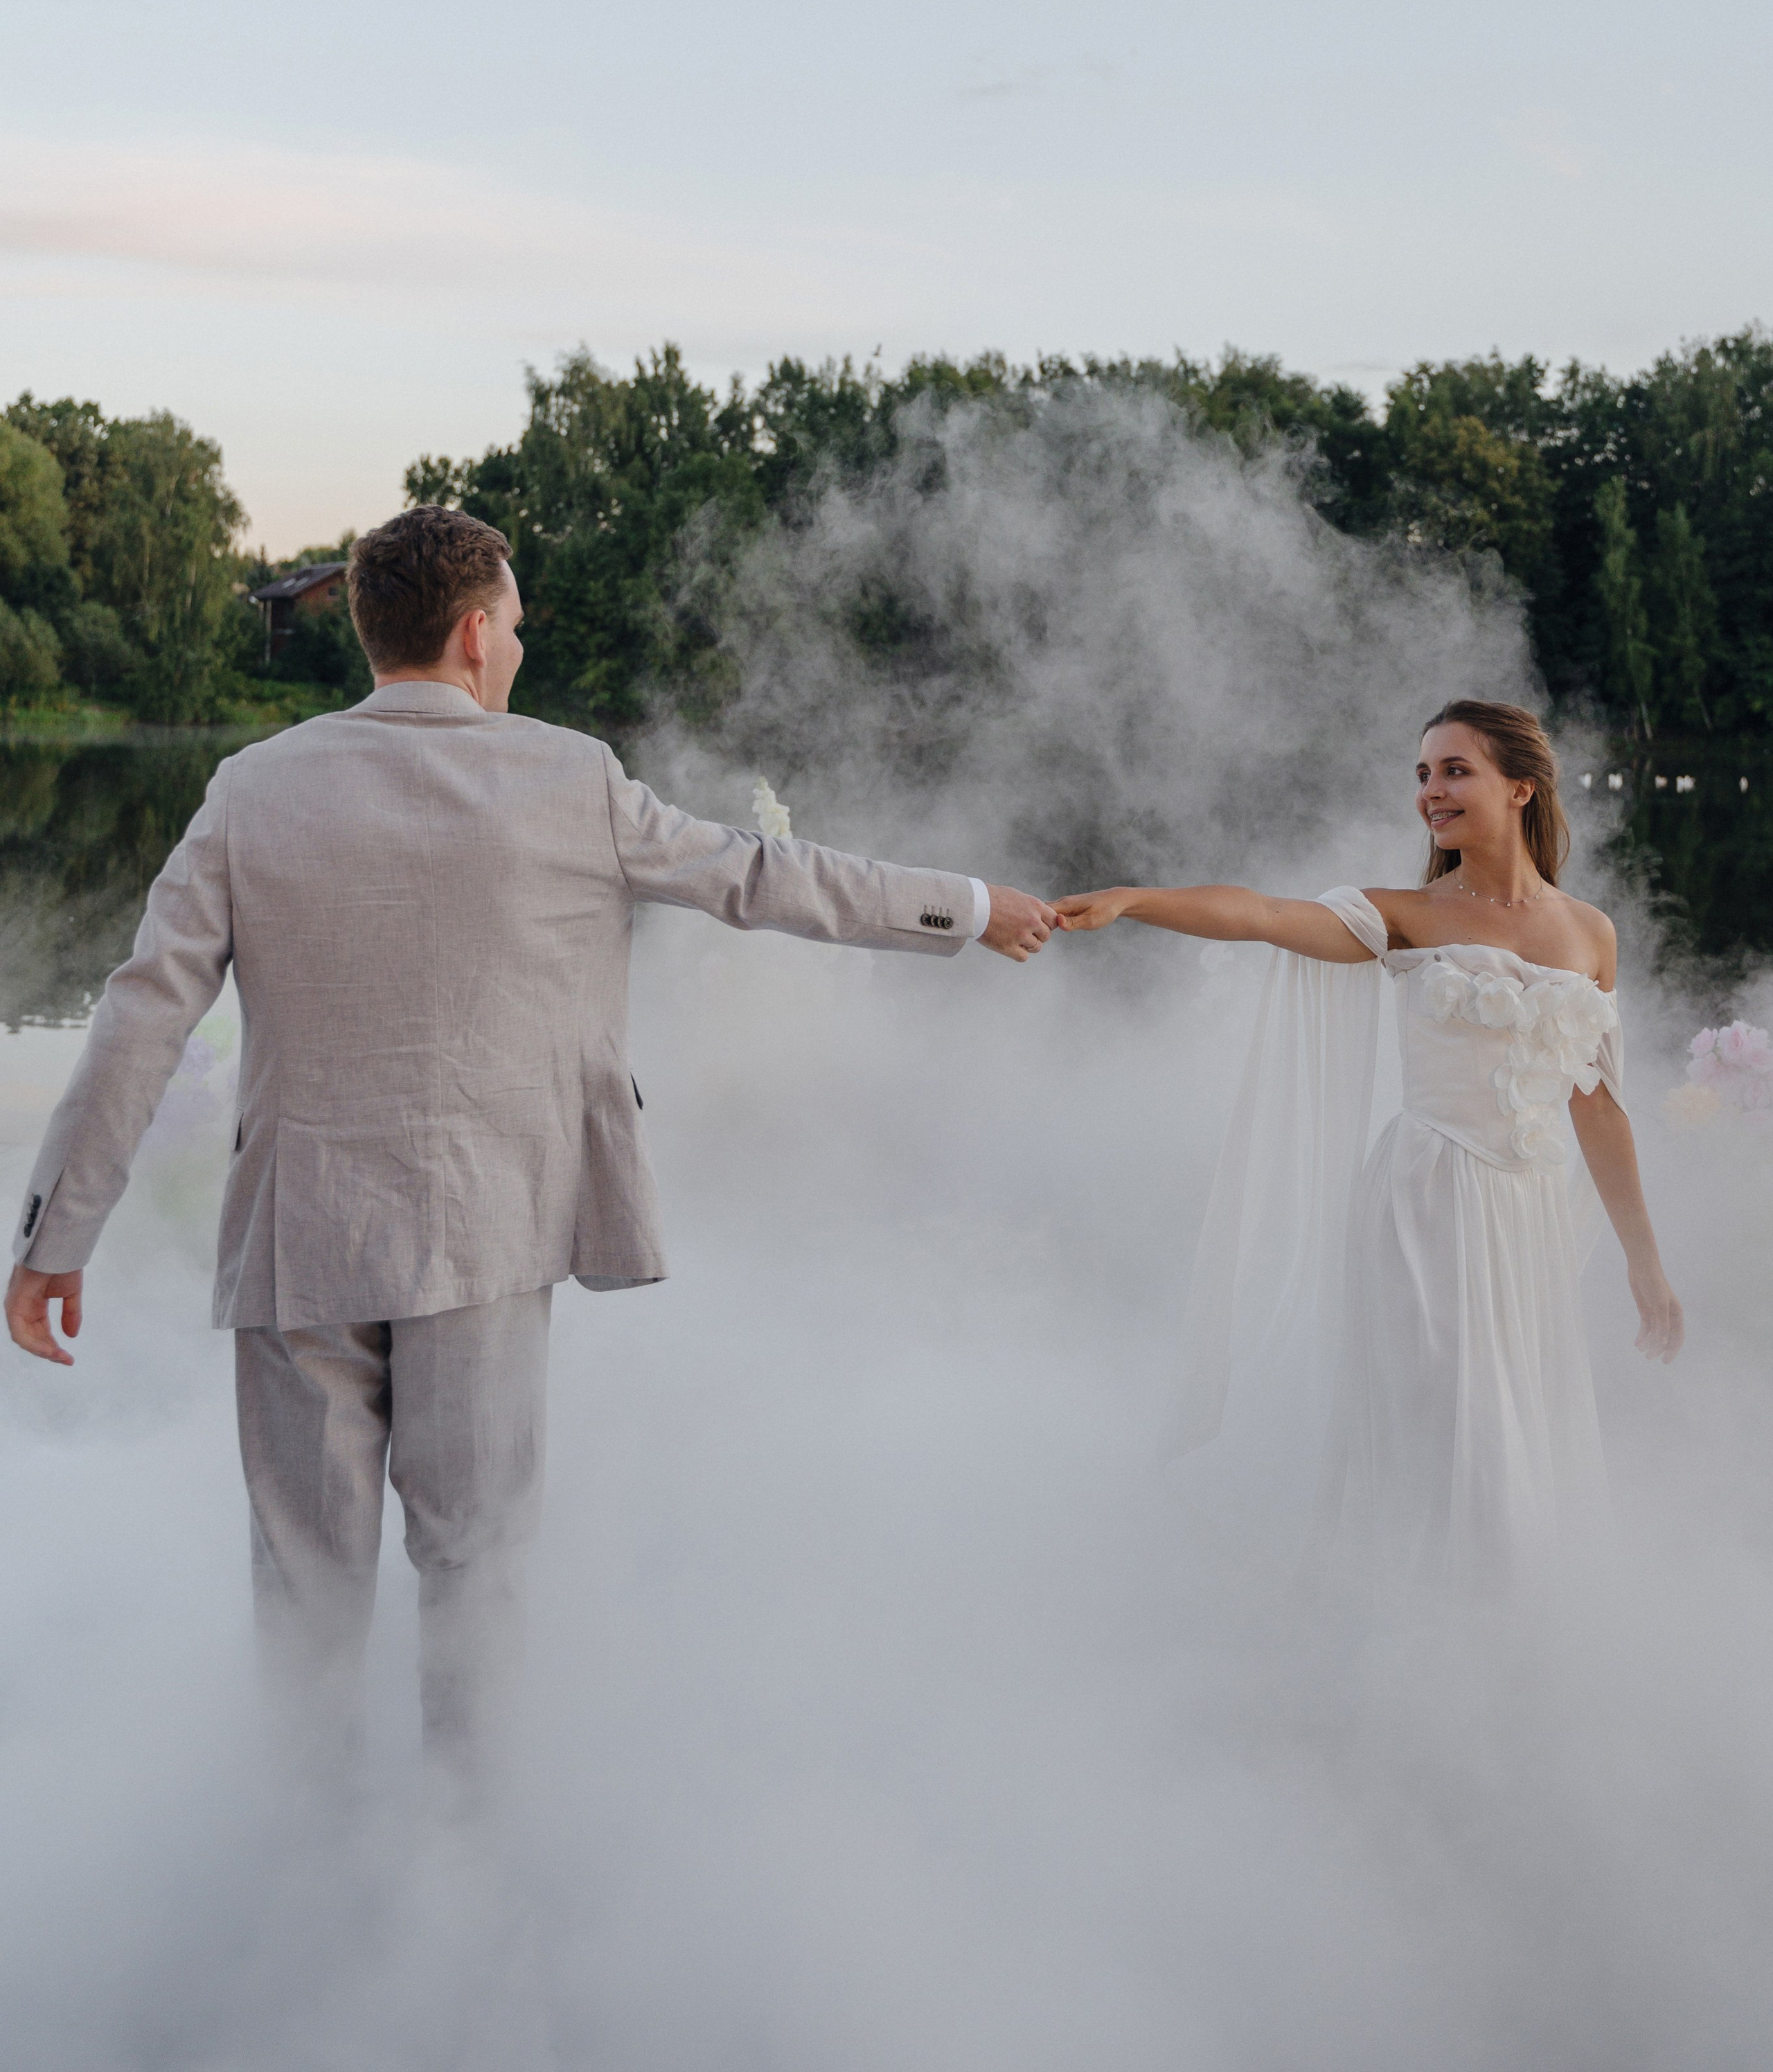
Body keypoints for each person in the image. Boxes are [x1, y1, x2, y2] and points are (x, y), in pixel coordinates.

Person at [3, 507, 1059, 1773]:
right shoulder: (572, 779)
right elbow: (769, 880)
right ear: (470, 634)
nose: (517, 646)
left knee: (303, 1595)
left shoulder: (252, 789)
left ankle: (297, 1882)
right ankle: (462, 1876)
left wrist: (57, 1236)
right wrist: (975, 907)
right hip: (486, 1236)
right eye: (512, 624)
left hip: (300, 1245)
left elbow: (140, 1016)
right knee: (475, 1575)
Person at [1054, 700, 1682, 1593]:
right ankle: (1434, 1645)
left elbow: (1601, 1108)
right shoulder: (1409, 915)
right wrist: (1135, 900)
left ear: (1522, 788)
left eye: (1454, 770)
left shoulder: (1590, 932)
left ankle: (1513, 1649)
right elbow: (1262, 914)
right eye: (1423, 774)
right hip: (1426, 1205)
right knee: (1463, 1432)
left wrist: (1643, 1263)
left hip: (1524, 1220)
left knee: (1515, 1428)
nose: (1431, 791)